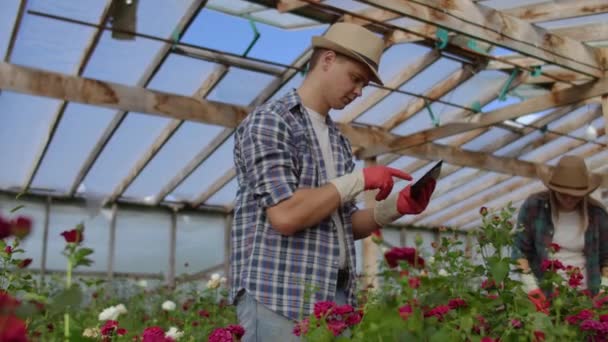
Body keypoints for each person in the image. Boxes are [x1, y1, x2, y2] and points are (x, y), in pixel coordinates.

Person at [230, 22, 436, 341]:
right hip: (278, 298)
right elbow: (285, 215)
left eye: (364, 84)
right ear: (327, 60)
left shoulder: (337, 141)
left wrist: (394, 209)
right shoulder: (272, 121)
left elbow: (341, 225)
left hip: (333, 299)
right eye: (355, 78)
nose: (359, 91)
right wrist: (360, 179)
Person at [512, 155, 608, 312]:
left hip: (586, 300)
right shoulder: (534, 207)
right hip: (544, 295)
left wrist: (604, 292)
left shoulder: (597, 214)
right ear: (552, 189)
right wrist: (532, 289)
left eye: (576, 195)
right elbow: (519, 251)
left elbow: (607, 259)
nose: (569, 199)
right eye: (563, 193)